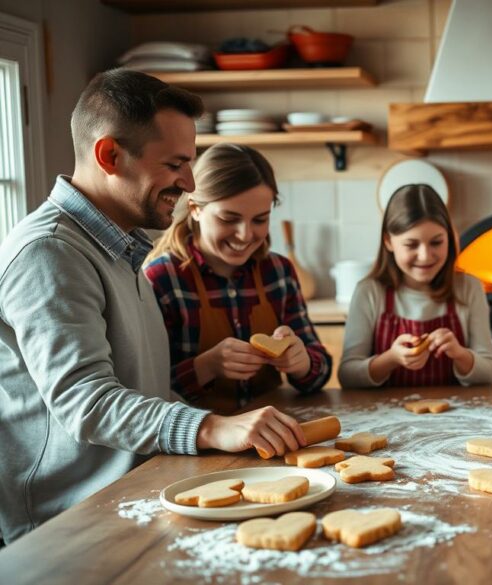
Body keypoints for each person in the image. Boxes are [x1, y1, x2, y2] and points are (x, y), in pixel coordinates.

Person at [0, 69, 306, 544]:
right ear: (110, 155)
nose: (188, 183)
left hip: (132, 495)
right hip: (63, 526)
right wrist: (211, 427)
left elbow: (145, 389)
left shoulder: (121, 251)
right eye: (175, 164)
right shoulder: (50, 252)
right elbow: (88, 404)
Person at [145, 143, 332, 415]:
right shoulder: (163, 279)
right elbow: (146, 396)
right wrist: (206, 367)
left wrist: (303, 362)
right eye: (229, 219)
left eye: (259, 220)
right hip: (199, 447)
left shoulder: (278, 273)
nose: (245, 235)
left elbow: (321, 370)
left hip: (274, 432)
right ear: (196, 208)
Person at [338, 184, 492, 387]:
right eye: (411, 245)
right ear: (388, 241)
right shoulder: (370, 292)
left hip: (456, 414)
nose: (425, 256)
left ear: (449, 237)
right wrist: (391, 359)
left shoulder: (468, 288)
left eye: (436, 242)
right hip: (388, 416)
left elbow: (490, 372)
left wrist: (460, 354)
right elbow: (347, 375)